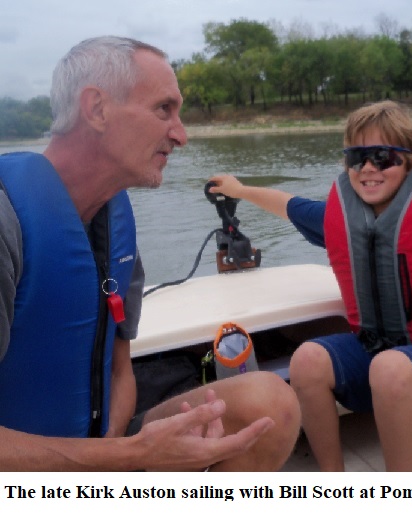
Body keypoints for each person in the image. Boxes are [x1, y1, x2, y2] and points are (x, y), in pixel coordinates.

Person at [0, 36, 301, 471]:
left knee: (269, 405)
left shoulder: (113, 225)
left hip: (101, 452)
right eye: (164, 109)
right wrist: (127, 457)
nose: (181, 136)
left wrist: (113, 459)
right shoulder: (8, 220)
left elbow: (120, 371)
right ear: (97, 108)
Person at [209, 100, 412, 471]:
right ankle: (332, 484)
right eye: (356, 158)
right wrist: (238, 189)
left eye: (382, 156)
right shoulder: (343, 218)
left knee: (390, 368)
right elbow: (287, 204)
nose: (368, 168)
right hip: (379, 353)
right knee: (307, 359)